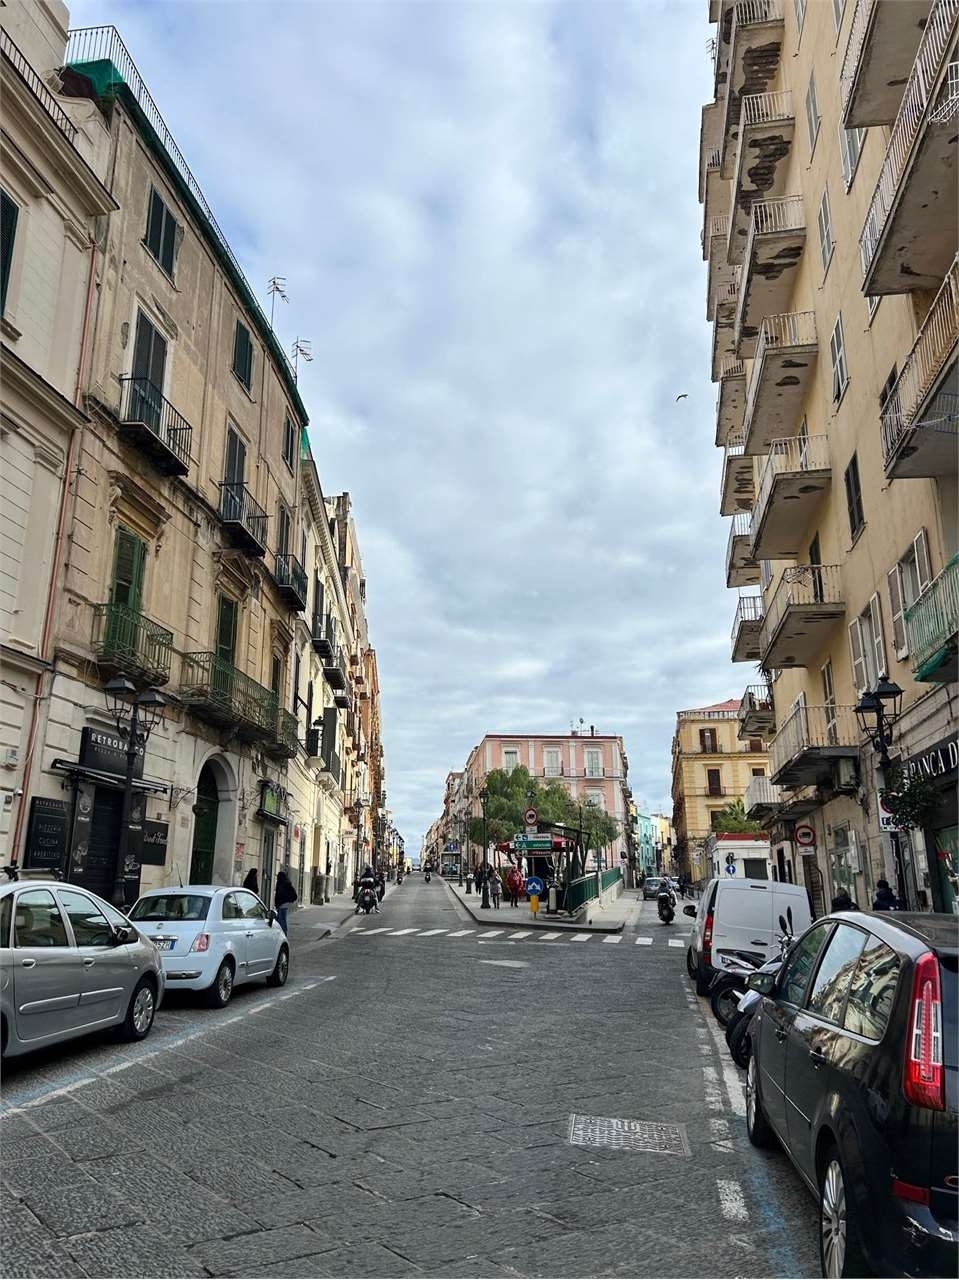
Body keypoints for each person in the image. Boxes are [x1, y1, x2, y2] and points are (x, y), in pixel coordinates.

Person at [274, 870, 297, 935]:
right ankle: (281, 932)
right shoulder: (285, 882)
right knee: (280, 919)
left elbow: (279, 894)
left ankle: (283, 933)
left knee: (281, 919)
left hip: (283, 903)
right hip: (282, 903)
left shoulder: (283, 883)